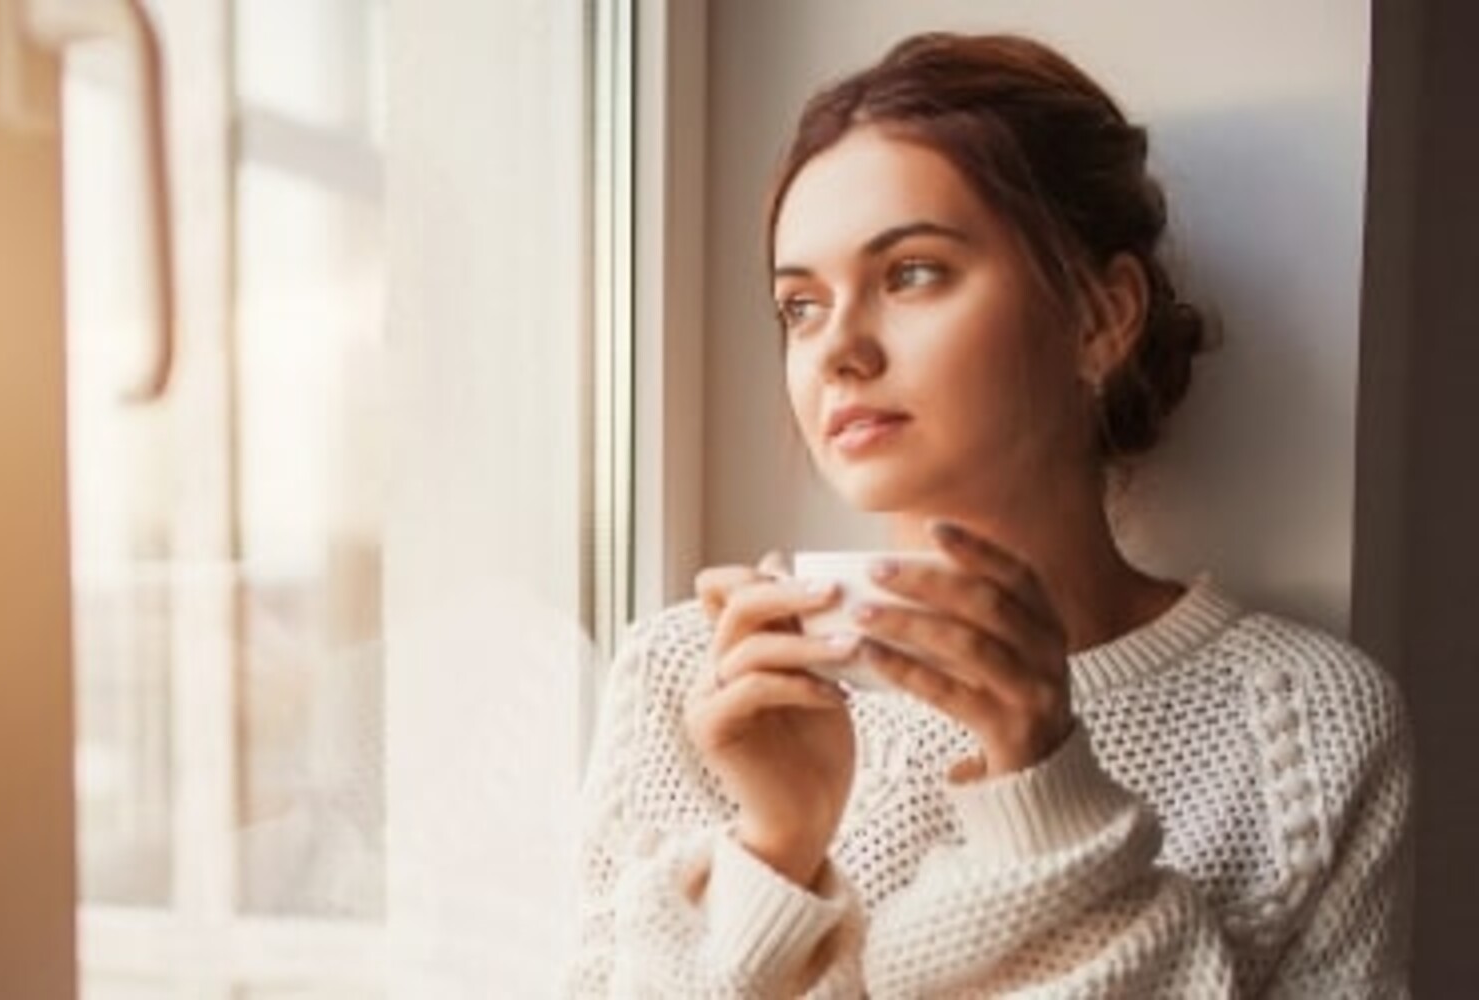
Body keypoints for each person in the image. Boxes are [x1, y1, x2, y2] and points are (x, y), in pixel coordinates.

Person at [568, 32, 1410, 997]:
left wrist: (1045, 796)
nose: (837, 347)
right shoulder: (696, 679)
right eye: (799, 305)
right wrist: (776, 849)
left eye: (911, 273)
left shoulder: (1307, 720)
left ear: (1099, 318)